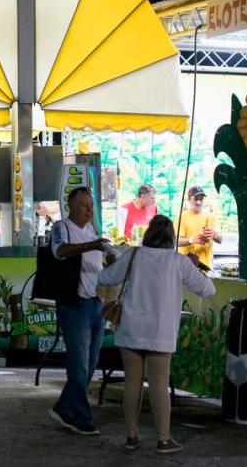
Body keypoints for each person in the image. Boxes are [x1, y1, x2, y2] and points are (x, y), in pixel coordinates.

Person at [98, 214, 215, 454]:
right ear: (171, 237)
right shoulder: (178, 261)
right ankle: (163, 440)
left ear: (149, 234)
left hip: (131, 329)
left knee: (132, 383)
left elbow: (104, 277)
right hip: (160, 333)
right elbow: (208, 288)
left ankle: (131, 436)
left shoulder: (133, 255)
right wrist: (193, 266)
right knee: (159, 385)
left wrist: (112, 262)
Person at [49, 186, 114, 436]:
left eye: (91, 205)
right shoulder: (62, 228)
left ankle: (65, 406)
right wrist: (91, 245)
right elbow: (59, 251)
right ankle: (82, 417)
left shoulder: (92, 230)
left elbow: (95, 261)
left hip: (95, 301)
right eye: (84, 205)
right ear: (72, 206)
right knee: (78, 364)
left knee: (90, 362)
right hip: (74, 304)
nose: (89, 210)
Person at [176, 186, 222, 271]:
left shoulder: (210, 217)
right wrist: (191, 240)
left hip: (206, 266)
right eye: (195, 199)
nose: (198, 202)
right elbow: (175, 241)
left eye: (201, 199)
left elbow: (220, 240)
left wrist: (215, 235)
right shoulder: (181, 217)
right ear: (189, 199)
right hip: (186, 266)